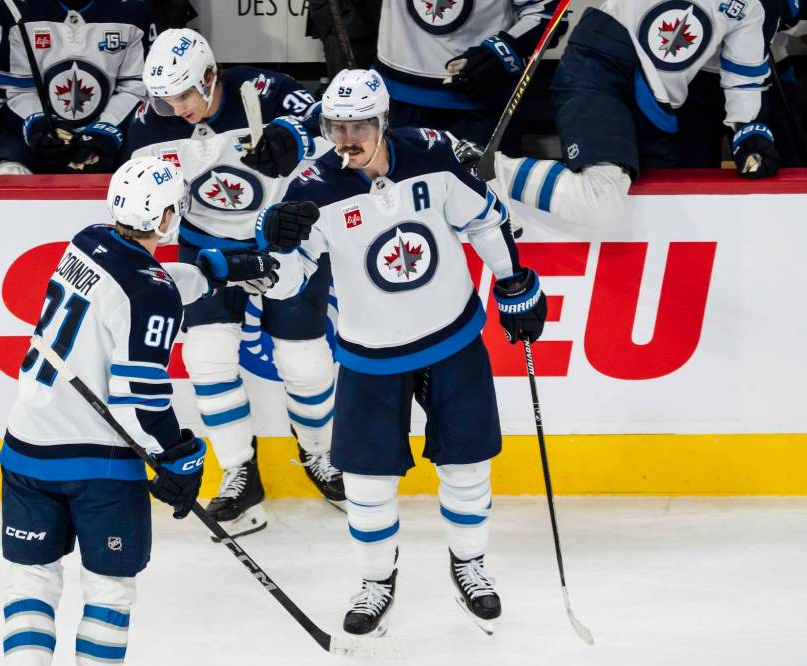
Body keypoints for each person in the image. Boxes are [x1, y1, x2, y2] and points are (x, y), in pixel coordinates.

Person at [257, 69, 547, 636]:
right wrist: (274, 242)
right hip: (371, 354)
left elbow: (484, 220)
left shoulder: (432, 156)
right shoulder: (312, 189)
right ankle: (375, 579)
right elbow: (285, 282)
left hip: (451, 339)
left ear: (384, 120)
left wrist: (512, 282)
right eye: (335, 126)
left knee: (466, 467)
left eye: (359, 124)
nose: (347, 138)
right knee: (366, 485)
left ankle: (470, 565)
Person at [0, 156, 278, 665]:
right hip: (97, 463)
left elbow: (139, 284)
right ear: (169, 215)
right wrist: (177, 455)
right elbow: (138, 399)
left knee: (31, 580)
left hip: (26, 449)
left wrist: (217, 270)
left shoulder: (87, 240)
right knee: (108, 590)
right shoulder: (150, 292)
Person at [125, 28, 345, 538]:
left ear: (209, 76)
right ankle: (239, 474)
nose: (175, 108)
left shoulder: (265, 91)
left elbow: (334, 119)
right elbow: (145, 193)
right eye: (164, 98)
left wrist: (295, 134)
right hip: (208, 246)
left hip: (286, 239)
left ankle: (320, 454)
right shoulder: (147, 125)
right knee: (205, 354)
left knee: (304, 362)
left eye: (184, 94)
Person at [482, 0, 791, 229]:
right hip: (601, 68)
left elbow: (744, 76)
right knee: (600, 200)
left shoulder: (752, 8)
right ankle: (477, 170)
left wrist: (748, 129)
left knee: (664, 212)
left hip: (659, 105)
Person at [0, 0, 154, 175]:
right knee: (7, 173)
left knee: (144, 173)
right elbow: (12, 89)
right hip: (41, 133)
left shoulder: (133, 6)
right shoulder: (17, 6)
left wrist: (106, 131)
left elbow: (138, 87)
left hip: (115, 131)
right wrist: (38, 126)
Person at [373, 0, 567, 150]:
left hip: (482, 109)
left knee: (487, 198)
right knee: (394, 198)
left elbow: (548, 14)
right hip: (396, 102)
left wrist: (499, 54)